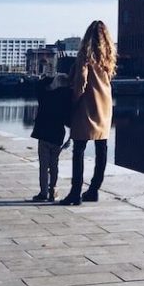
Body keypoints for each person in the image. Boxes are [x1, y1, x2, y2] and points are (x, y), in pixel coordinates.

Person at [60, 20, 116, 206]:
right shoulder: (108, 57)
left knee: (79, 149)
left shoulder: (85, 56)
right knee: (102, 148)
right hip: (105, 106)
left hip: (87, 105)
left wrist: (73, 100)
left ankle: (75, 192)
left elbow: (81, 82)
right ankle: (93, 190)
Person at [29, 72, 70, 202]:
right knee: (54, 165)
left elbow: (39, 84)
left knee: (43, 165)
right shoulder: (65, 97)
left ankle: (43, 192)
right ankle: (53, 190)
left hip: (43, 133)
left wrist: (52, 78)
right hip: (57, 135)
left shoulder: (45, 95)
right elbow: (69, 120)